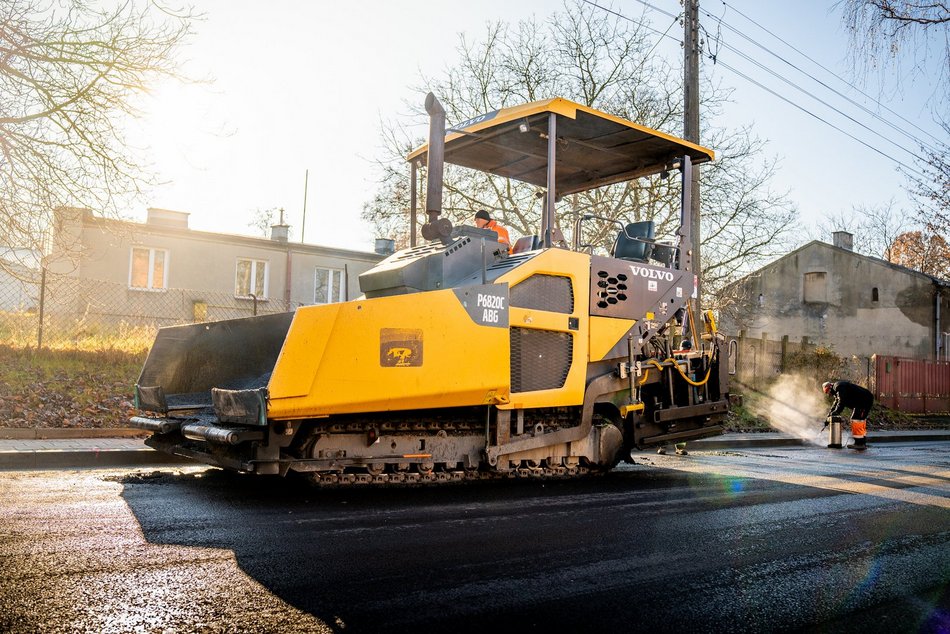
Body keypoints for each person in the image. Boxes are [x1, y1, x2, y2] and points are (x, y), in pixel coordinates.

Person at [822, 380, 874, 451]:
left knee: (857, 420)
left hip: (864, 401)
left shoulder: (839, 386)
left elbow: (841, 401)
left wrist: (836, 412)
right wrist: (828, 418)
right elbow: (835, 405)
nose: (829, 394)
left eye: (828, 392)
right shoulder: (837, 390)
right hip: (860, 402)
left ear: (830, 387)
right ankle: (861, 442)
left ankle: (860, 444)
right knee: (857, 420)